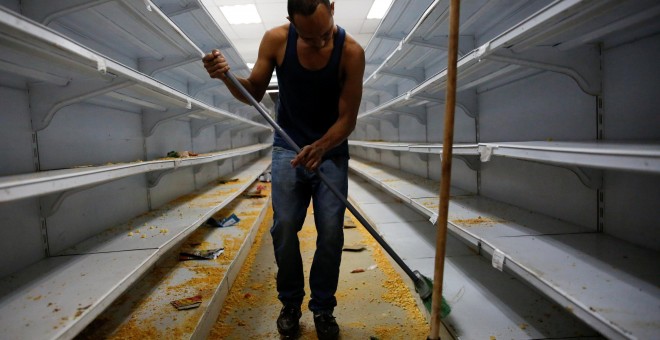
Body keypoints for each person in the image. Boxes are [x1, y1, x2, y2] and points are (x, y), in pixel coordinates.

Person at [203, 0, 365, 338]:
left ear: (332, 7)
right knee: (284, 226)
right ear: (290, 21)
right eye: (309, 37)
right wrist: (226, 78)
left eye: (324, 33)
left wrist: (321, 147)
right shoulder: (276, 40)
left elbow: (348, 118)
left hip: (331, 151)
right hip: (286, 148)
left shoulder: (351, 51)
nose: (320, 42)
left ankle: (323, 308)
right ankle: (290, 303)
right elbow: (253, 93)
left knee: (332, 231)